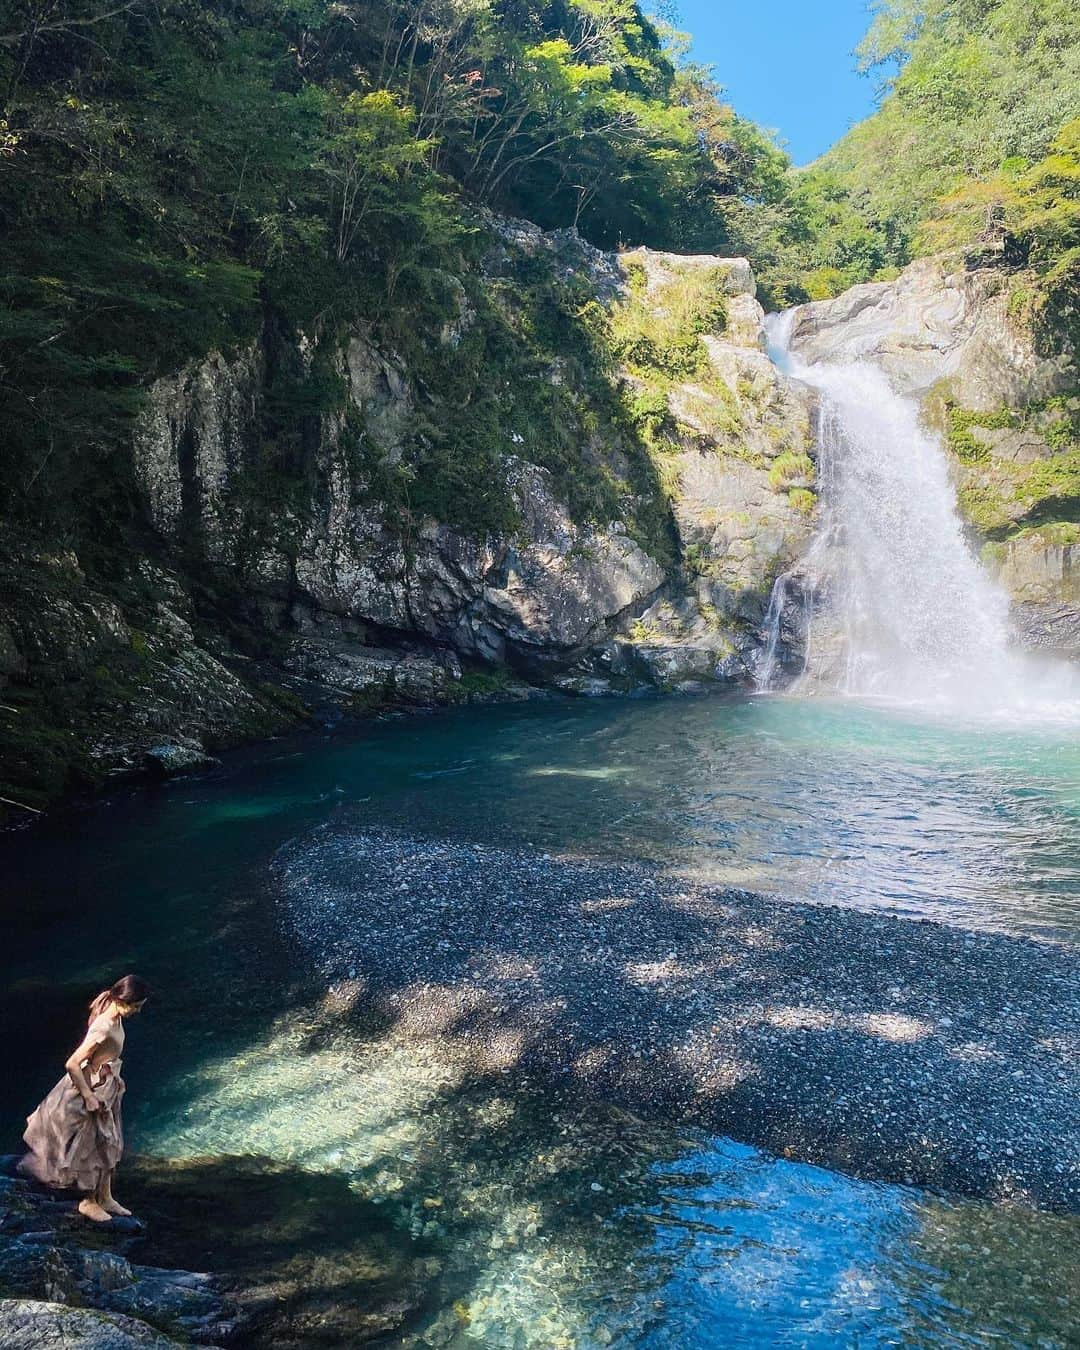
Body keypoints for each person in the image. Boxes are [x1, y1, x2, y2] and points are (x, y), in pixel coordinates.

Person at [21, 974, 150, 1222]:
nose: (138, 1011)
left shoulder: (115, 1015)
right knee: (92, 1146)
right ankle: (88, 1201)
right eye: (136, 1006)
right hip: (91, 1090)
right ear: (124, 1002)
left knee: (112, 1141)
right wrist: (89, 1096)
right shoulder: (103, 1027)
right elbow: (72, 1063)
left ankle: (106, 1196)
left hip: (108, 1087)